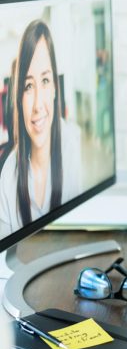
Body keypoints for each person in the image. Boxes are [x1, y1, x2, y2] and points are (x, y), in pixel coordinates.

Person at [0, 19, 81, 238]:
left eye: (45, 81)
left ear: (55, 86)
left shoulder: (71, 143)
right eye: (28, 86)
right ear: (18, 98)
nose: (37, 105)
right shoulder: (8, 178)